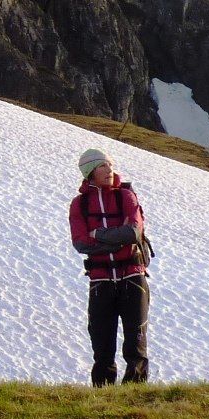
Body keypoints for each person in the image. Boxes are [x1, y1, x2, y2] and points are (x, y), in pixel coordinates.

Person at [69, 147, 150, 385]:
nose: (110, 169)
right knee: (102, 345)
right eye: (103, 166)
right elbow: (81, 243)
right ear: (90, 172)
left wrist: (98, 234)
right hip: (101, 281)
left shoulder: (126, 196)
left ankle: (135, 397)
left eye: (110, 164)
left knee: (136, 344)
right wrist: (116, 240)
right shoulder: (79, 204)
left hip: (133, 277)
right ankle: (103, 398)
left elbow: (133, 232)